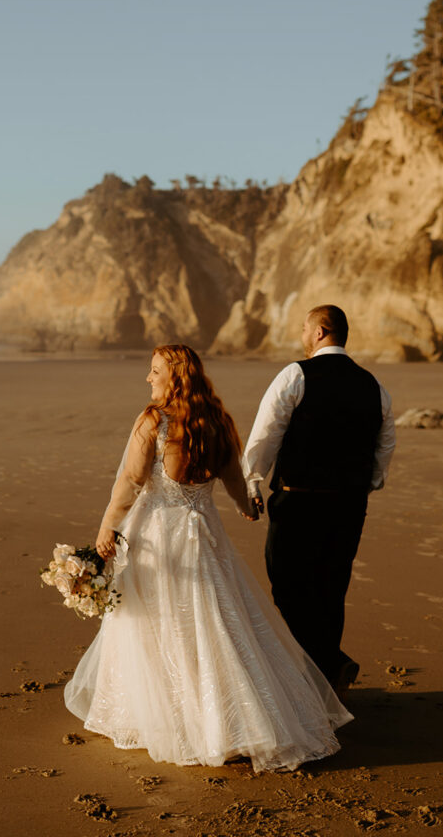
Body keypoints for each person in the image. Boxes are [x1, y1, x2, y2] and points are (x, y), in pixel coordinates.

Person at [64, 344, 351, 772]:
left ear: (175, 377)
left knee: (158, 623)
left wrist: (107, 527)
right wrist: (245, 505)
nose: (149, 378)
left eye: (155, 370)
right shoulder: (216, 422)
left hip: (159, 535)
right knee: (214, 621)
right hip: (205, 535)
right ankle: (234, 715)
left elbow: (130, 480)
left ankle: (173, 716)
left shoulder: (154, 421)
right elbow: (235, 477)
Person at [242, 305, 396, 697]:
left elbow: (266, 432)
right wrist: (371, 482)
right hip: (349, 505)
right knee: (331, 587)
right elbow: (385, 442)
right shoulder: (373, 385)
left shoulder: (296, 374)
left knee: (287, 583)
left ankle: (322, 666)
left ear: (320, 332)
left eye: (304, 328)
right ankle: (325, 674)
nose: (301, 335)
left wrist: (251, 481)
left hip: (299, 502)